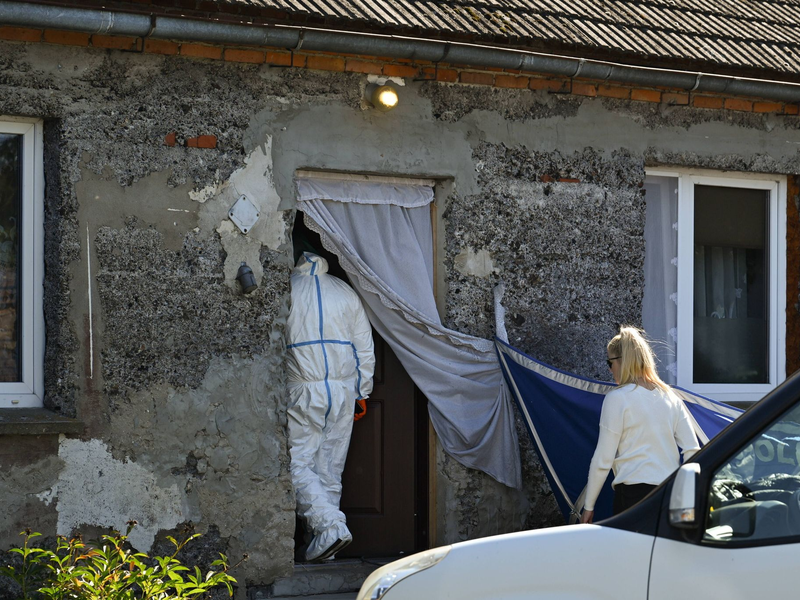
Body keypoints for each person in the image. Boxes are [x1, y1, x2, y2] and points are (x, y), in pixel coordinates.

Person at [286, 252, 375, 561]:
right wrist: (362, 392)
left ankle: (330, 528)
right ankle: (324, 546)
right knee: (329, 468)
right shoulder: (343, 290)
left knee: (297, 463)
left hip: (303, 389)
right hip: (342, 390)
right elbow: (364, 344)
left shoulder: (288, 290)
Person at [580, 326, 700, 524]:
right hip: (669, 495)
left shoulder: (617, 399)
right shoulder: (671, 397)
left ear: (622, 361)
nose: (609, 369)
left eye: (609, 362)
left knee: (631, 555)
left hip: (632, 498)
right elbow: (692, 451)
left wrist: (588, 507)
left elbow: (603, 460)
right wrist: (685, 497)